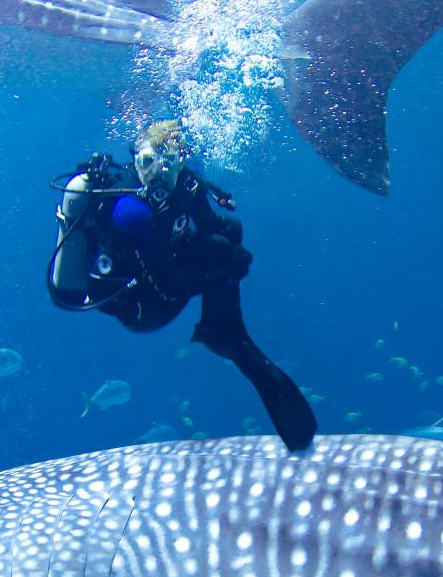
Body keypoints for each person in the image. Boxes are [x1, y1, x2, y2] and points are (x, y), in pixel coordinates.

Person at [47, 121, 316, 452]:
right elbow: (167, 285)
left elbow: (215, 227)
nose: (156, 176)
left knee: (228, 234)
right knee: (221, 255)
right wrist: (224, 272)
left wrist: (233, 258)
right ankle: (226, 337)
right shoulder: (132, 213)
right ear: (134, 160)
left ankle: (225, 331)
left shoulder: (186, 185)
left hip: (165, 269)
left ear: (181, 162)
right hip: (141, 307)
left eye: (168, 163)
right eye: (146, 163)